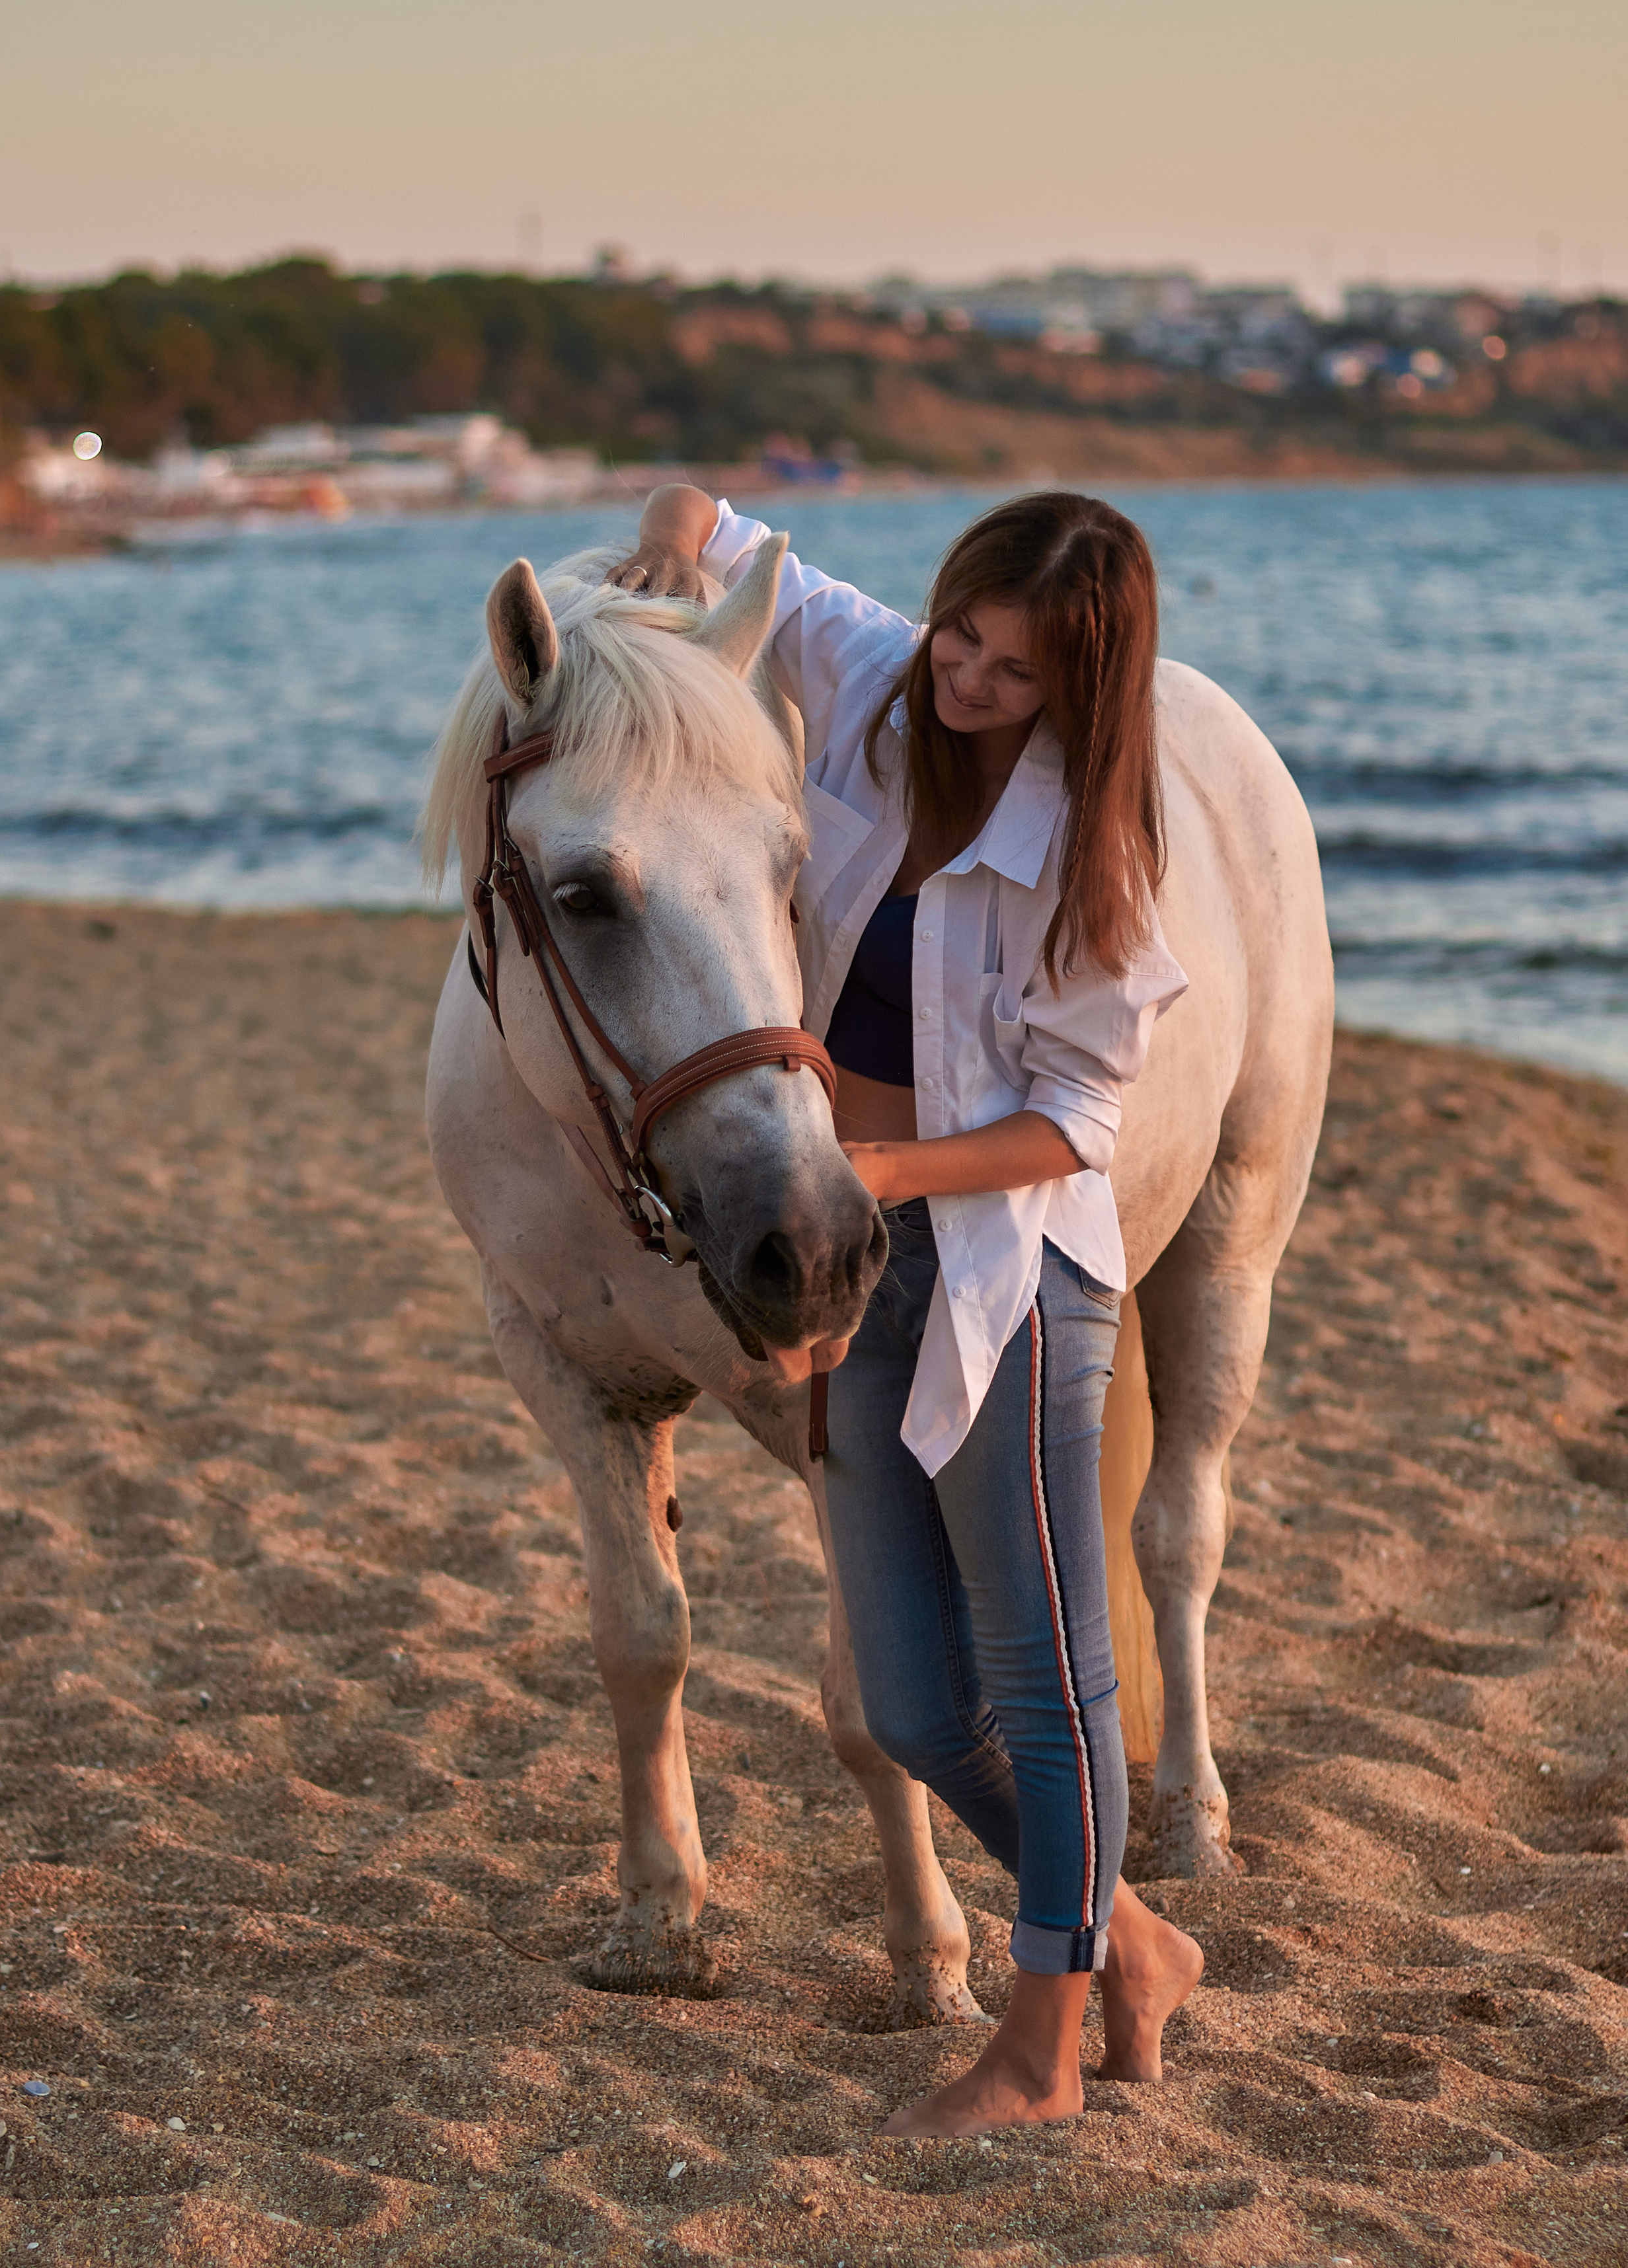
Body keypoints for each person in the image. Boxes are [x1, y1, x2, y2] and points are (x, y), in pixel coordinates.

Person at [609, 486, 1204, 2136]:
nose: (964, 682)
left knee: (1044, 1681)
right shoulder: (877, 672)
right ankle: (1132, 1944)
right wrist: (666, 545)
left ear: (1075, 692)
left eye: (1013, 674)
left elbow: (1079, 1120)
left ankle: (1039, 2050)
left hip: (1005, 1278)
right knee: (910, 1704)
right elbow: (710, 521)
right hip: (841, 1240)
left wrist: (891, 1167)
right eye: (963, 636)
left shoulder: (1095, 846)